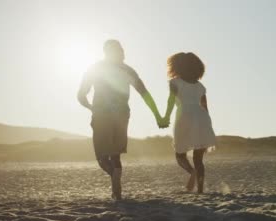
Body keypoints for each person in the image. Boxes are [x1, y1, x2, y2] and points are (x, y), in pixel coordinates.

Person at [77, 39, 165, 200]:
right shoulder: (128, 70)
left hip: (102, 115)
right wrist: (158, 115)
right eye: (121, 50)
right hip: (122, 114)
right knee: (115, 155)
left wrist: (91, 107)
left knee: (102, 158)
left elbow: (81, 95)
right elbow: (145, 94)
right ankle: (116, 190)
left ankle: (114, 181)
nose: (123, 53)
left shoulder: (95, 68)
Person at [161, 52, 216, 193]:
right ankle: (200, 190)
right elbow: (205, 107)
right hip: (202, 118)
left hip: (184, 116)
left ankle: (192, 172)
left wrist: (166, 117)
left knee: (179, 155)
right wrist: (208, 126)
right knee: (199, 158)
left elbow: (171, 101)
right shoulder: (201, 86)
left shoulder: (174, 83)